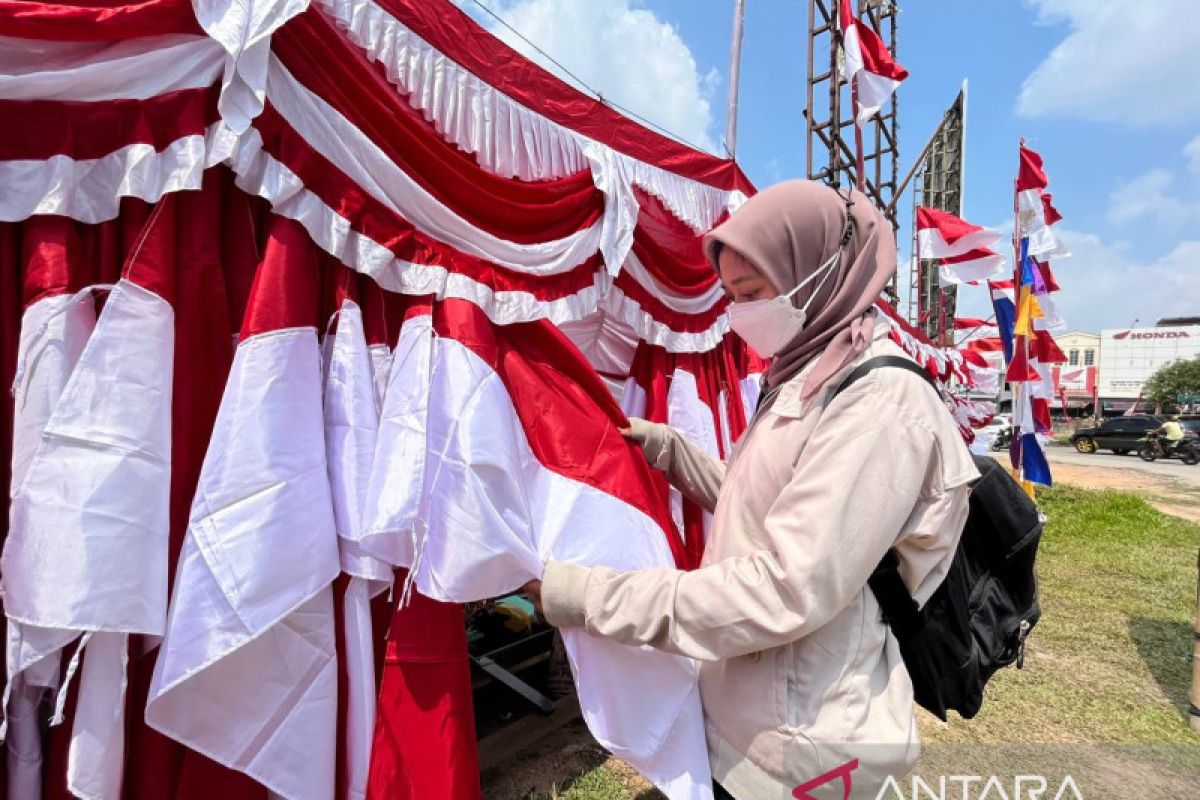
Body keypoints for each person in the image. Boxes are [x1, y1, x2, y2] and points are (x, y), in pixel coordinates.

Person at [524, 181, 978, 799]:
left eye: (755, 294)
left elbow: (786, 587)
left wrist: (588, 597)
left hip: (803, 751)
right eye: (733, 297)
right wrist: (669, 450)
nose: (740, 316)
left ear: (820, 275)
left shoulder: (879, 403)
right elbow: (764, 501)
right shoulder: (807, 371)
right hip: (749, 717)